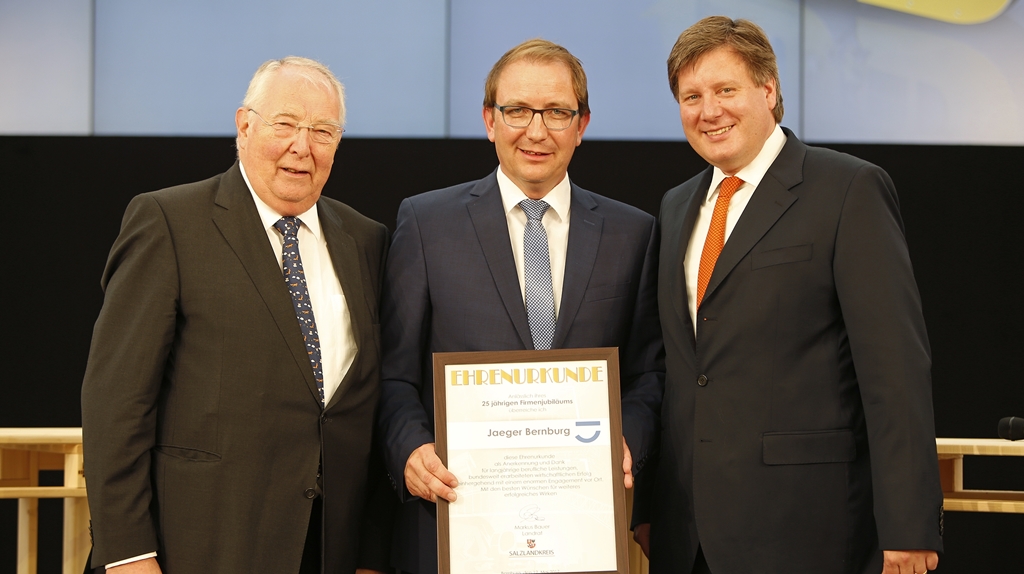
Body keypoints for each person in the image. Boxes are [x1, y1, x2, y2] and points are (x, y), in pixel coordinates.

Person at [636, 16, 944, 574]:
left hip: (809, 529)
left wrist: (909, 525)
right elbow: (675, 371)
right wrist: (648, 507)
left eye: (726, 90)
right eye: (691, 96)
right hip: (689, 536)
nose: (709, 111)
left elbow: (893, 370)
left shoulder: (848, 189)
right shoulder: (676, 206)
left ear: (769, 89)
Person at [81, 57, 391, 574]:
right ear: (244, 126)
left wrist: (371, 555)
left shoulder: (367, 240)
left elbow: (368, 411)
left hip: (328, 551)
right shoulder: (169, 222)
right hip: (196, 548)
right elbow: (116, 403)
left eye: (322, 131)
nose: (302, 146)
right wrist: (128, 554)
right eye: (285, 124)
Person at [376, 39, 664, 574]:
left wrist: (629, 442)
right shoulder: (426, 225)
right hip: (455, 526)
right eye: (517, 111)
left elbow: (650, 373)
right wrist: (410, 450)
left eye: (557, 112)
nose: (537, 130)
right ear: (489, 120)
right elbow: (393, 375)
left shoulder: (634, 233)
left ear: (582, 125)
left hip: (586, 530)